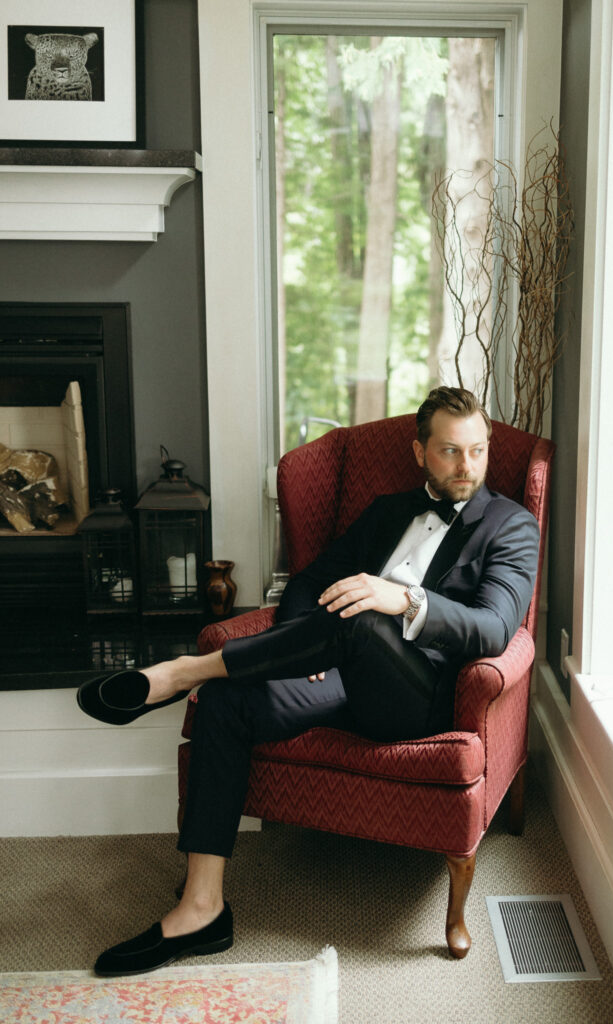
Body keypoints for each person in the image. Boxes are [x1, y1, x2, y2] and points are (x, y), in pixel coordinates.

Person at [77, 386, 540, 977]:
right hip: (334, 673)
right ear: (420, 451)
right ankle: (202, 908)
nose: (468, 466)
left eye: (478, 450)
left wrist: (401, 597)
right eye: (451, 451)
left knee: (365, 611)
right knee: (226, 702)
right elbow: (310, 580)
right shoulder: (386, 510)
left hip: (418, 697)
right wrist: (300, 647)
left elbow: (496, 627)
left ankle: (178, 673)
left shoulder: (509, 525)